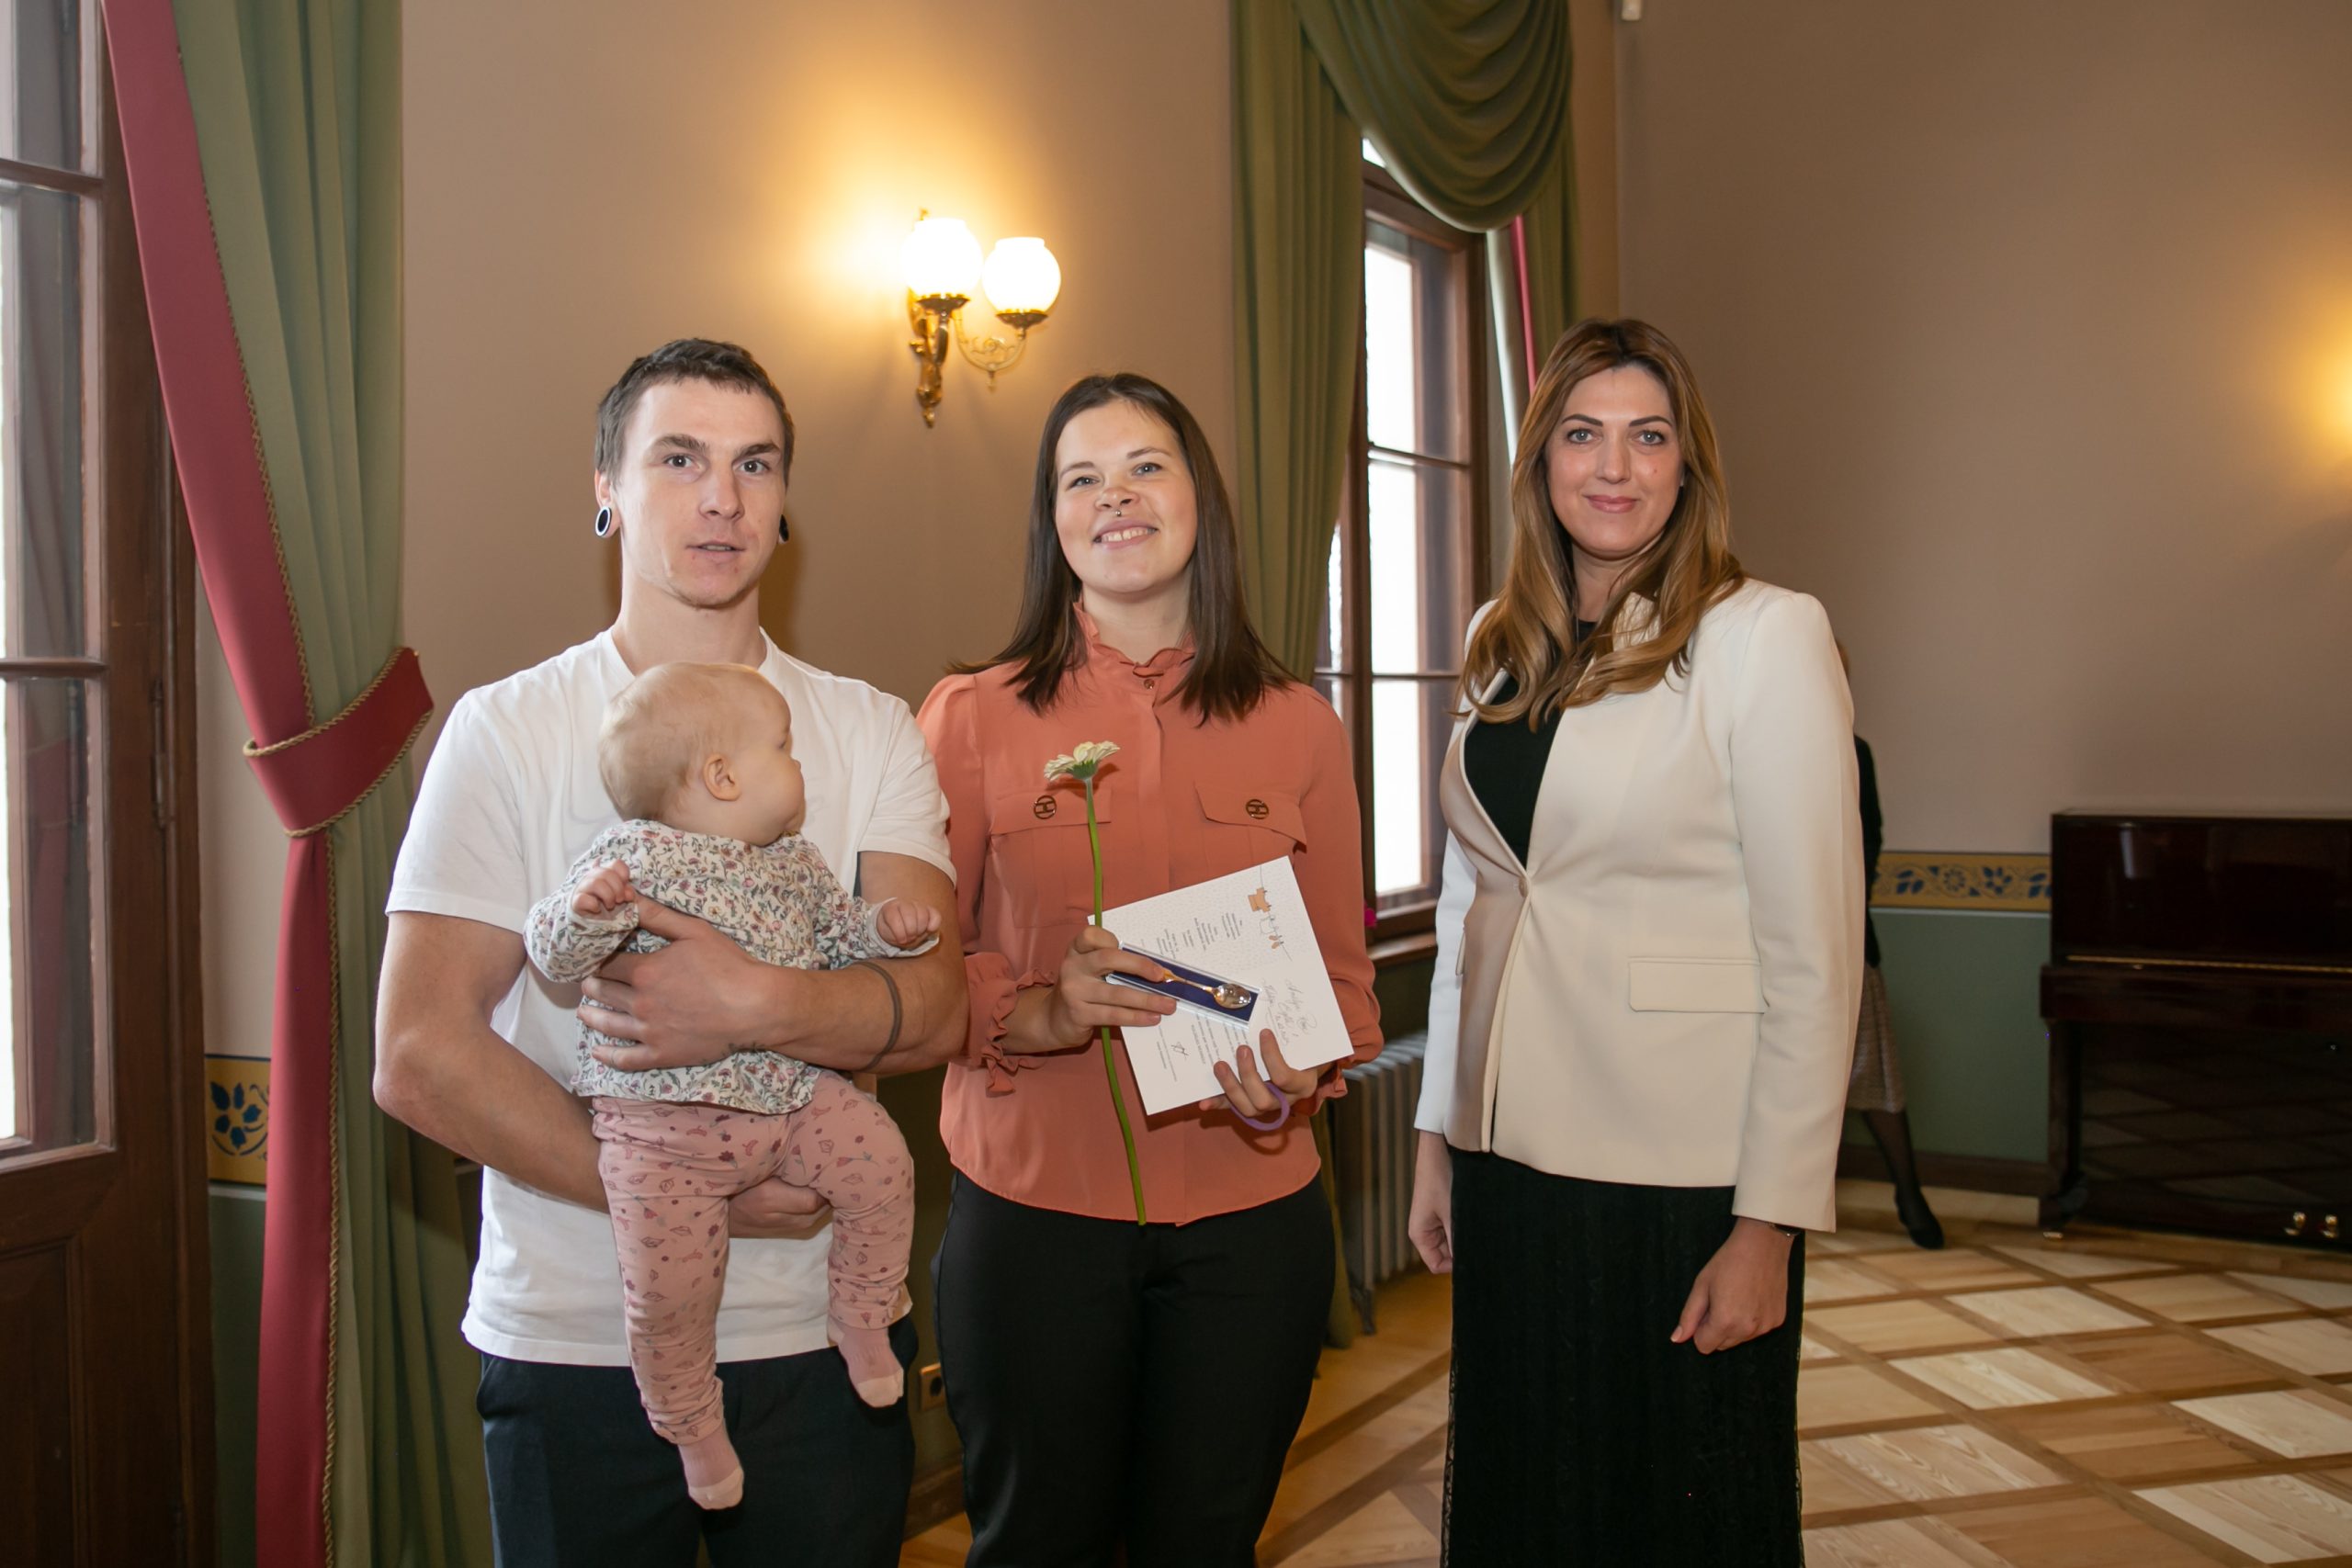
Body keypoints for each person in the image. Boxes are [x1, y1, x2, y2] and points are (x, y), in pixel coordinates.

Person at [376, 338, 966, 1568]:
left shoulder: (867, 726)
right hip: (575, 1339)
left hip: (822, 1343)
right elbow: (420, 1052)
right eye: (680, 459)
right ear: (607, 486)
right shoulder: (505, 728)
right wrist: (698, 1198)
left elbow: (936, 1003)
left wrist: (755, 1001)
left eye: (756, 463)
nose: (722, 497)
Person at [1406, 319, 1862, 1564]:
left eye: (1647, 436)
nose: (1614, 466)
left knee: (1677, 1509)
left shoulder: (1763, 634)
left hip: (1680, 1176)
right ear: (1541, 462)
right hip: (1510, 1160)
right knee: (1531, 1493)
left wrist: (1770, 1224)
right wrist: (1437, 1134)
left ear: (1687, 464)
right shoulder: (1502, 640)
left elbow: (1814, 956)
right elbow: (1469, 909)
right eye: (1582, 433)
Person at [916, 372, 1381, 1567]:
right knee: (1037, 1545)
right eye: (1082, 477)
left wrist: (1299, 1076)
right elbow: (916, 979)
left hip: (1251, 1224)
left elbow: (1342, 983)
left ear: (1200, 498)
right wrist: (1038, 1009)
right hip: (1034, 1222)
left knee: (1206, 1543)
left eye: (1145, 467)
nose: (1114, 496)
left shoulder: (1298, 724)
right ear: (1053, 522)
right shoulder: (970, 717)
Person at [523, 661, 941, 1510]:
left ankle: (862, 1311)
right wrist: (585, 912)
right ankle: (691, 1422)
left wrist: (886, 929)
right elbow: (552, 951)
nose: (798, 763)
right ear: (722, 776)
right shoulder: (630, 858)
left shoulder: (793, 861)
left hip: (789, 1094)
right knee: (668, 1294)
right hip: (661, 1133)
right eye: (782, 746)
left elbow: (838, 934)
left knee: (882, 1161)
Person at [1842, 670, 1944, 1248]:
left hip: (1845, 936)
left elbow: (1868, 842)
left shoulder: (1853, 750)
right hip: (1754, 941)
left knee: (1872, 1075)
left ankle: (1910, 1195)